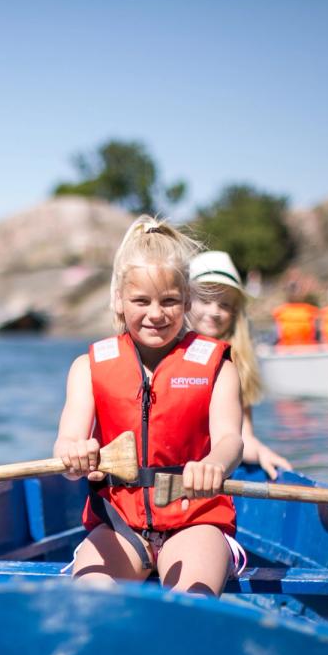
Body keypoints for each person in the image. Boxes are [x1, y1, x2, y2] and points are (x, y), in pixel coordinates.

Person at [54, 216, 245, 596]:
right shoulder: (87, 368)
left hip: (195, 521)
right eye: (141, 301)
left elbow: (230, 440)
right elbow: (66, 442)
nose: (156, 314)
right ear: (119, 301)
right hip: (118, 525)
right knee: (88, 603)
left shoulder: (219, 368)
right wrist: (74, 454)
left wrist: (214, 464)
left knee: (189, 604)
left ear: (187, 300)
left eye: (170, 301)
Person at [189, 251, 292, 480]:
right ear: (186, 300)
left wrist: (263, 452)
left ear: (235, 312)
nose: (214, 312)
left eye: (224, 305)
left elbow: (243, 435)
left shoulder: (237, 361)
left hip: (214, 472)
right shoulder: (165, 351)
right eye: (205, 300)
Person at [271, 281, 319, 347]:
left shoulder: (280, 312)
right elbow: (317, 334)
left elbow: (275, 335)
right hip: (305, 349)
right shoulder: (310, 311)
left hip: (289, 350)